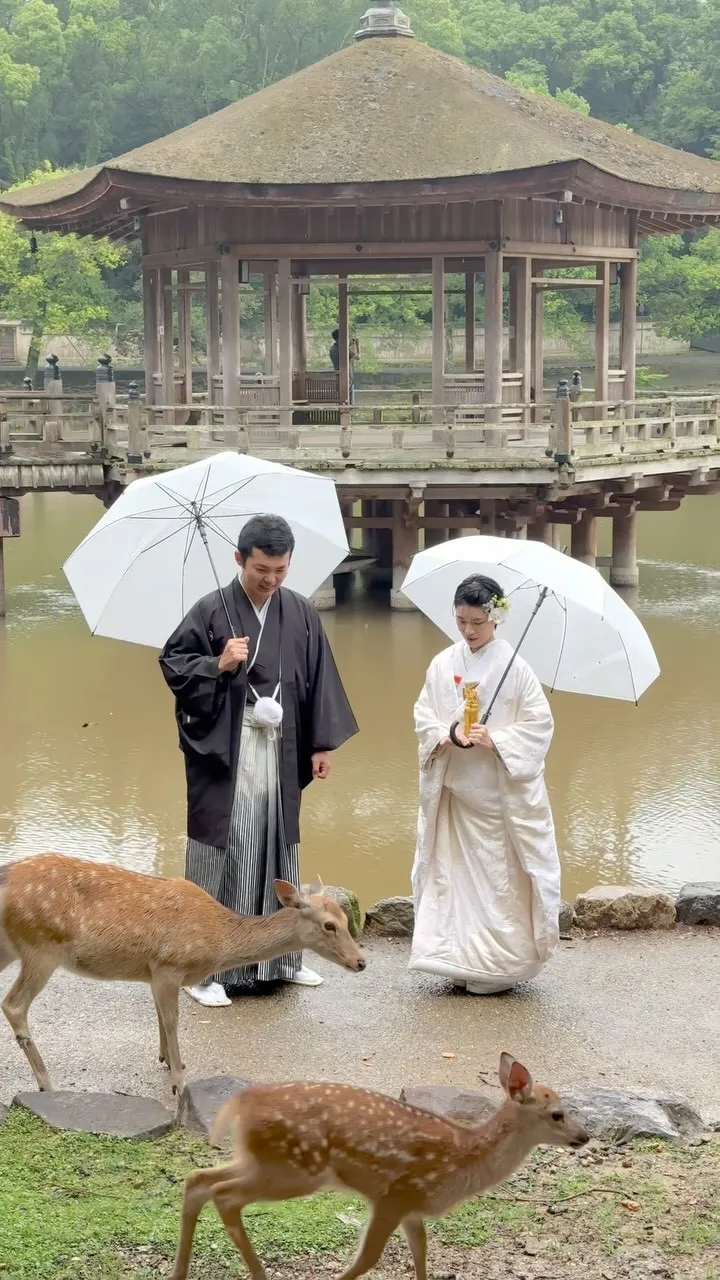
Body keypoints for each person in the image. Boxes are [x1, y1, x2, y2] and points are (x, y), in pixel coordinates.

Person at [159, 514, 358, 1007]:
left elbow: (318, 678)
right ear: (239, 559)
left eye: (280, 569)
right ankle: (202, 971)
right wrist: (218, 664)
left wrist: (319, 744)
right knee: (227, 850)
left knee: (276, 845)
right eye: (261, 569)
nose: (271, 579)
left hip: (281, 744)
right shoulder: (210, 611)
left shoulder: (300, 612)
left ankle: (282, 960)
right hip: (228, 748)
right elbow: (173, 665)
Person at [409, 573, 561, 995]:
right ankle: (456, 958)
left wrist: (496, 738)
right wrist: (445, 733)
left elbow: (540, 726)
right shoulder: (443, 663)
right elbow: (424, 713)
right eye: (461, 621)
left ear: (496, 619)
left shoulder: (518, 670)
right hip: (456, 793)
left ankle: (499, 965)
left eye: (478, 622)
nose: (470, 631)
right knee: (451, 878)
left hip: (497, 800)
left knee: (498, 884)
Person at [329, 328, 358, 404]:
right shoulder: (345, 349)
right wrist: (357, 345)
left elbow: (341, 350)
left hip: (337, 376)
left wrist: (348, 345)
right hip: (347, 377)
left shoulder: (332, 349)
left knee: (340, 397)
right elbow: (357, 357)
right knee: (348, 399)